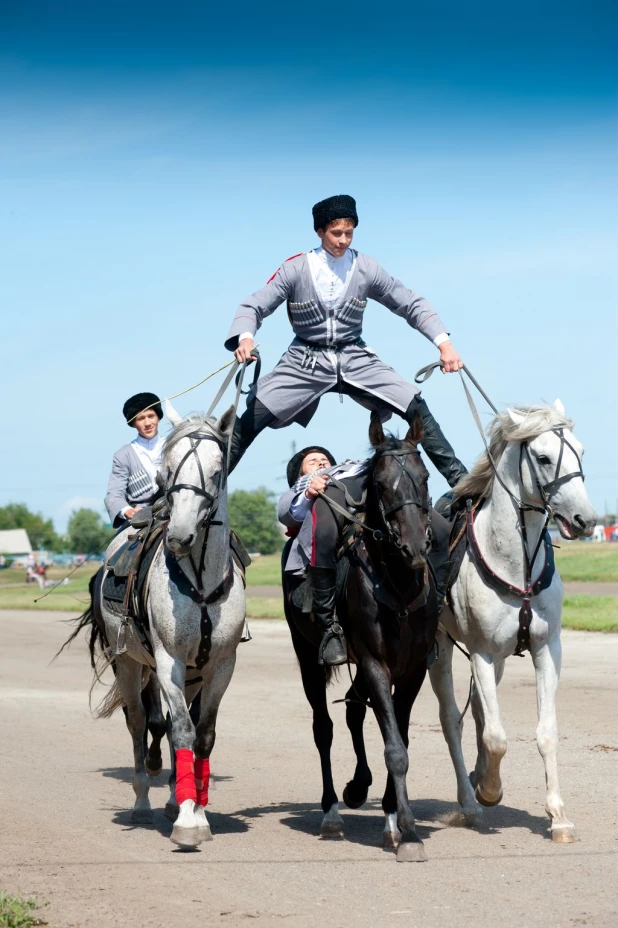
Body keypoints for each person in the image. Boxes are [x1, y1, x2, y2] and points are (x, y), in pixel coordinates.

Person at [225, 194, 467, 493]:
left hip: (354, 356)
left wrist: (444, 344)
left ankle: (463, 487)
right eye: (336, 233)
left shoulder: (367, 267)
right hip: (305, 360)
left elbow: (410, 303)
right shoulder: (295, 268)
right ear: (320, 232)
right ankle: (207, 491)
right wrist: (245, 338)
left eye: (349, 233)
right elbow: (253, 306)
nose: (343, 240)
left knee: (414, 405)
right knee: (251, 417)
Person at [279, 445, 450, 666]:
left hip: (370, 485)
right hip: (331, 494)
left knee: (442, 530)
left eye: (324, 458)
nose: (321, 462)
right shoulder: (302, 487)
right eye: (312, 461)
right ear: (299, 474)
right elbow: (287, 514)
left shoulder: (350, 469)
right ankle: (329, 625)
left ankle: (431, 617)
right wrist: (309, 493)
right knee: (325, 531)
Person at [105, 392, 166, 529]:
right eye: (141, 419)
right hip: (142, 519)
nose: (147, 423)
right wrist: (127, 510)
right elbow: (114, 495)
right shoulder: (122, 455)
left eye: (151, 416)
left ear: (158, 417)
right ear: (133, 423)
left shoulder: (175, 446)